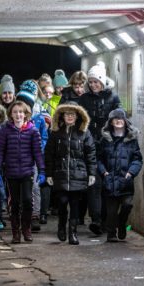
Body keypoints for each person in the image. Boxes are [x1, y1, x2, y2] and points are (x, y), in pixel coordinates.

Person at [79, 61, 121, 235]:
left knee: (107, 186)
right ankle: (96, 219)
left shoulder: (113, 98)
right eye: (91, 82)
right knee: (94, 183)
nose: (93, 85)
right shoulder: (84, 99)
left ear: (103, 81)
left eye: (96, 81)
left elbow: (120, 118)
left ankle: (106, 221)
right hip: (90, 145)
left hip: (109, 146)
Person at [45, 102, 96, 245]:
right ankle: (61, 225)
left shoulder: (84, 132)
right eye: (67, 114)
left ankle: (72, 232)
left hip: (78, 174)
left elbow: (90, 154)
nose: (69, 117)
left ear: (78, 116)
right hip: (60, 173)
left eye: (72, 114)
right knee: (62, 202)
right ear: (62, 115)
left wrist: (91, 173)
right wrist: (49, 174)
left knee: (75, 205)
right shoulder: (56, 132)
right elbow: (49, 154)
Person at [0, 101, 45, 244]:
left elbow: (37, 153)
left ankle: (26, 229)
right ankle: (15, 232)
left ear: (26, 114)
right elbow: (0, 152)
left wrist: (41, 170)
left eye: (21, 112)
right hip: (11, 173)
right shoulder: (5, 130)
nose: (18, 114)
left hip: (28, 172)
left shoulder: (33, 131)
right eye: (15, 112)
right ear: (11, 114)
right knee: (14, 203)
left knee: (28, 201)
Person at [97, 109, 143, 242]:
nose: (118, 121)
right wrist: (104, 172)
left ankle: (122, 224)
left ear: (125, 121)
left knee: (127, 205)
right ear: (110, 122)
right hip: (109, 180)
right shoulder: (105, 139)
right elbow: (98, 159)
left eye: (121, 119)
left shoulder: (131, 139)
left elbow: (137, 159)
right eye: (115, 119)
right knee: (111, 211)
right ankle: (111, 233)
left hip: (125, 180)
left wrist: (131, 172)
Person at [16, 80, 49, 232]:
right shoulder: (14, 117)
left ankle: (34, 215)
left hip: (34, 158)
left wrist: (38, 151)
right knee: (19, 188)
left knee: (35, 187)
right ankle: (20, 214)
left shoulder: (39, 118)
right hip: (16, 159)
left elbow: (44, 137)